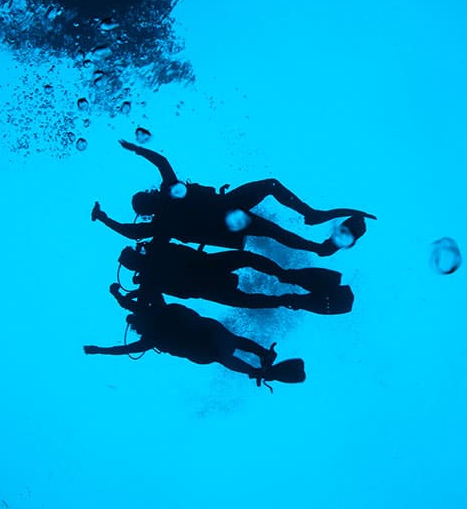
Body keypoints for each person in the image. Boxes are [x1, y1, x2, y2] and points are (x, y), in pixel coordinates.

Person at [91, 140, 374, 256]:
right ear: (150, 203)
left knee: (271, 188)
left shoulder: (162, 219)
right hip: (227, 217)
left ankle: (313, 220)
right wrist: (136, 150)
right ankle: (318, 239)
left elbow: (130, 231)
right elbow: (162, 163)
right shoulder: (166, 210)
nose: (153, 190)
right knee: (272, 214)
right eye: (148, 194)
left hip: (226, 211)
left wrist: (104, 219)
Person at [83, 283, 306, 389]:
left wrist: (118, 296)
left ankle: (260, 362)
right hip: (200, 340)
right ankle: (260, 360)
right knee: (230, 345)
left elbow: (144, 297)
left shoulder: (153, 328)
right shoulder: (153, 331)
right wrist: (99, 349)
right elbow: (126, 345)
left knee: (228, 346)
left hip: (200, 339)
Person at [116, 241, 355, 314]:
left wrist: (120, 295)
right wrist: (122, 295)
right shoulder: (150, 273)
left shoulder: (150, 270)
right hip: (206, 277)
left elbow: (138, 305)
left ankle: (288, 286)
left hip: (206, 275)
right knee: (246, 265)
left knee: (246, 264)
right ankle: (288, 286)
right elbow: (139, 305)